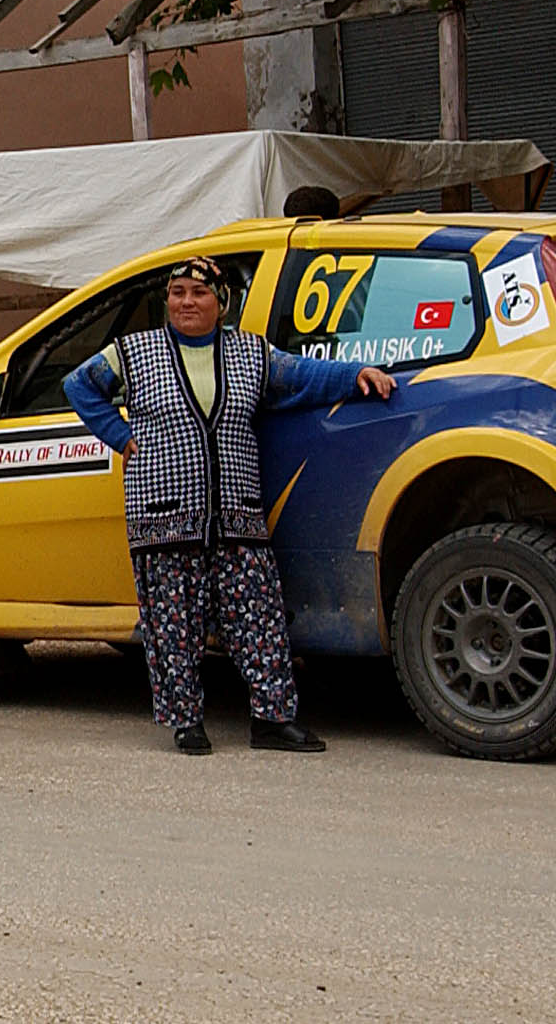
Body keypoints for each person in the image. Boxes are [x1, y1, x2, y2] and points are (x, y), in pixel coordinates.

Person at [64, 256, 398, 755]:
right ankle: (186, 723)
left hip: (237, 511)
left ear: (222, 303)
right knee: (173, 621)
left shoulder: (250, 353)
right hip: (163, 513)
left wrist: (357, 376)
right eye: (177, 293)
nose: (186, 302)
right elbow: (79, 385)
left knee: (258, 616)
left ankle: (272, 719)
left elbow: (305, 376)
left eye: (199, 293)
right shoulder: (135, 351)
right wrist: (120, 435)